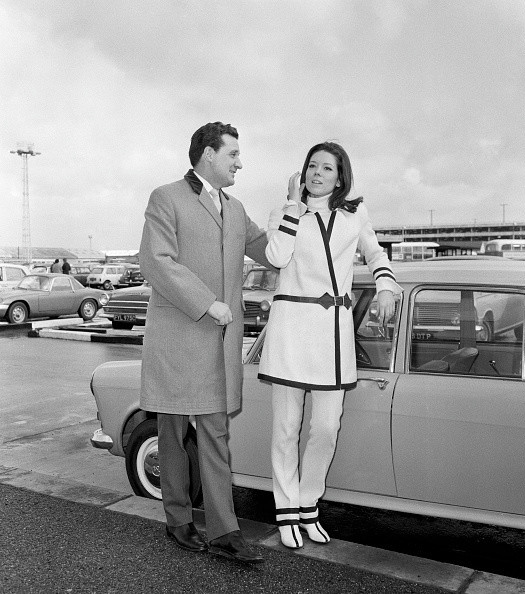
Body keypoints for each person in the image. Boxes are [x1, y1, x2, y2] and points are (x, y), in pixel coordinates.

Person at [258, 141, 401, 549]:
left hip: (332, 336)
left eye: (327, 168)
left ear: (341, 177)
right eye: (312, 166)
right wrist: (292, 207)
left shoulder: (355, 215)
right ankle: (286, 511)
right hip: (290, 331)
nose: (317, 173)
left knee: (325, 428)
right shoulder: (283, 213)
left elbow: (375, 253)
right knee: (285, 428)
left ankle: (308, 505)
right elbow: (278, 255)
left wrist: (386, 283)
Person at [139, 122, 270, 564]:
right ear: (208, 155)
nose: (239, 162)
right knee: (172, 434)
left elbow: (271, 252)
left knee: (216, 433)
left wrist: (297, 212)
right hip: (179, 337)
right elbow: (155, 261)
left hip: (218, 345)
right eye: (233, 153)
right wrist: (208, 303)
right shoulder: (166, 197)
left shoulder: (236, 210)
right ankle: (178, 519)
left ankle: (224, 530)